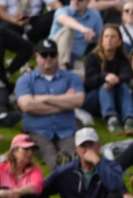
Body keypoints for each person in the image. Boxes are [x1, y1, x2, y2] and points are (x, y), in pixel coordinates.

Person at [14, 38, 86, 167]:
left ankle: (67, 171)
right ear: (37, 56)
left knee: (71, 154)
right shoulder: (25, 80)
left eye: (52, 54)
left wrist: (44, 99)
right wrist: (64, 101)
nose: (48, 58)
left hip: (66, 130)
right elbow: (26, 105)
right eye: (44, 54)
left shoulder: (72, 77)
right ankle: (60, 173)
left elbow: (79, 100)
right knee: (50, 156)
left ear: (58, 56)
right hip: (37, 131)